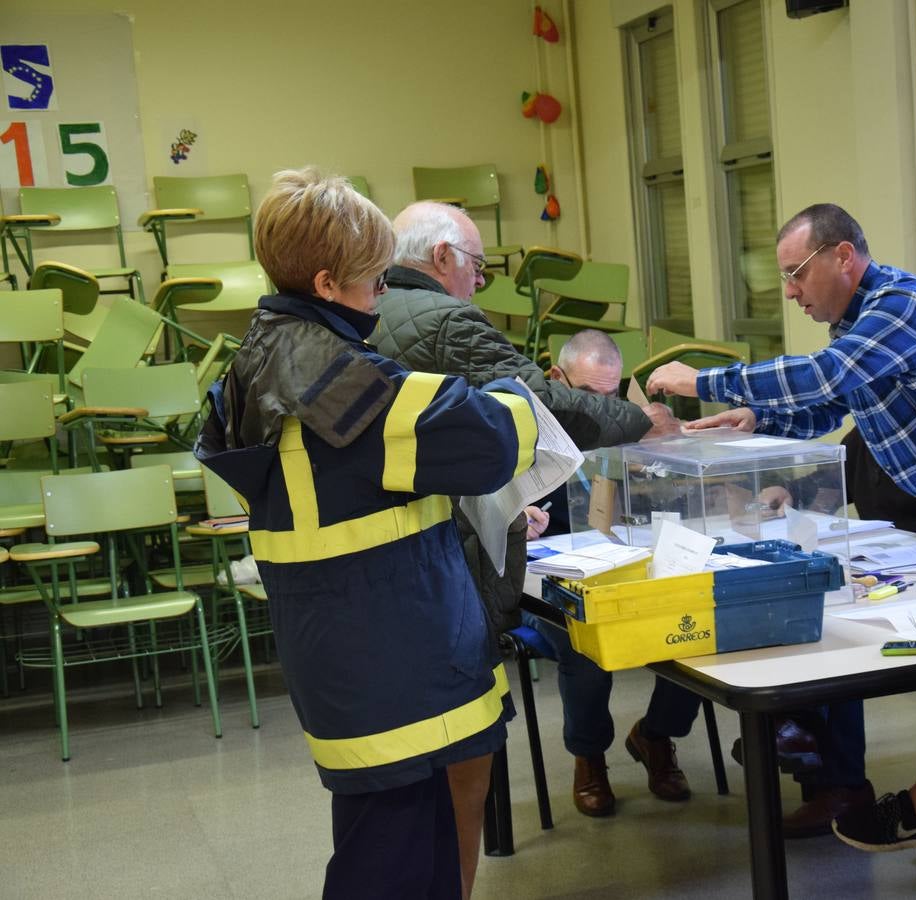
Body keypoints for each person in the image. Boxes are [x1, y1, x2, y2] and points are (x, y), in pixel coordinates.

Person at [646, 203, 916, 836]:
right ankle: (875, 790)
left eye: (797, 273)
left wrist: (708, 380)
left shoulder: (902, 304)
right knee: (868, 618)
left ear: (843, 256)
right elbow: (834, 405)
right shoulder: (853, 326)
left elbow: (827, 375)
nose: (790, 293)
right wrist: (761, 421)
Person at [195, 168, 540, 899]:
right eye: (375, 281)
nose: (382, 295)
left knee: (394, 850)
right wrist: (518, 391)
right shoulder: (344, 380)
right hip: (397, 658)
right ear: (327, 283)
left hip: (342, 652)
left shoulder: (254, 360)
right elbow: (486, 442)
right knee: (393, 866)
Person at [372, 203, 673, 886]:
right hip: (443, 572)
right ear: (444, 257)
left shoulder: (372, 309)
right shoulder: (445, 319)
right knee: (459, 764)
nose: (479, 282)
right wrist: (638, 421)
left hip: (397, 567)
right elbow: (542, 406)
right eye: (477, 265)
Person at [520, 330, 706, 818]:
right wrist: (517, 520)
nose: (603, 410)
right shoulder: (524, 429)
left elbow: (676, 502)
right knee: (583, 646)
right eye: (587, 397)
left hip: (625, 562)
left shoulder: (632, 426)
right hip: (552, 572)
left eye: (611, 397)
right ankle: (590, 756)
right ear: (556, 380)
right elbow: (489, 509)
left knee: (691, 623)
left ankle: (656, 735)